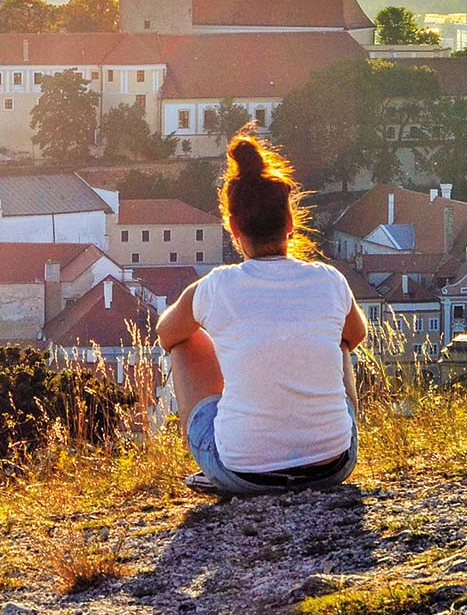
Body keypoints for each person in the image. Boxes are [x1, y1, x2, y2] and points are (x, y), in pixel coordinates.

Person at [156, 131, 366, 494]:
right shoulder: (329, 280)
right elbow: (356, 335)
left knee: (185, 344)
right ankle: (311, 437)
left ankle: (240, 447)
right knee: (341, 342)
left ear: (233, 228)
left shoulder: (215, 287)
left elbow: (166, 334)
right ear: (289, 223)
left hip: (244, 473)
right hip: (334, 464)